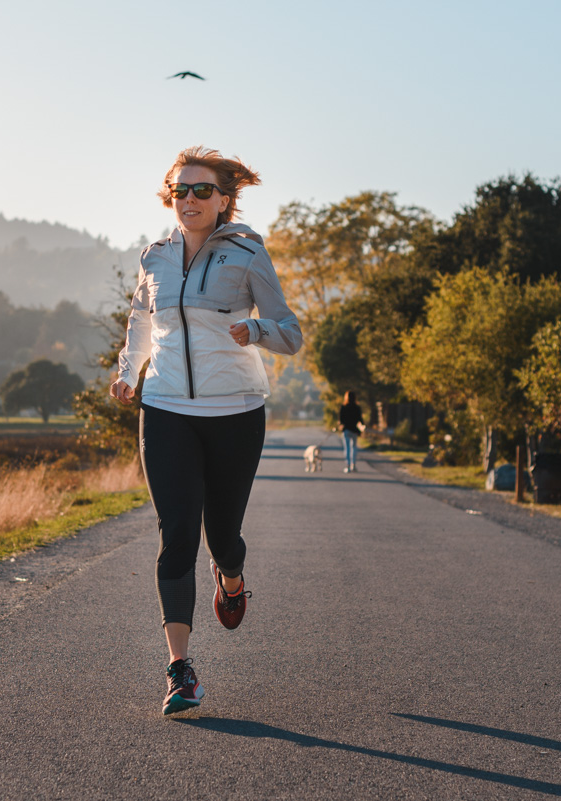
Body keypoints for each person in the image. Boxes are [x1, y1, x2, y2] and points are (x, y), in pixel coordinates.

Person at [109, 146, 302, 715]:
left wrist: (256, 329)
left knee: (222, 536)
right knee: (176, 537)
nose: (188, 200)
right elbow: (141, 321)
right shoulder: (154, 257)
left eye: (201, 191)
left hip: (235, 412)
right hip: (165, 408)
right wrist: (129, 375)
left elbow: (290, 333)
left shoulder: (246, 255)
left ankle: (233, 576)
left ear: (223, 199)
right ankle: (180, 670)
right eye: (180, 191)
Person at [337, 391, 364, 473]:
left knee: (347, 448)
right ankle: (354, 465)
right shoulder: (357, 407)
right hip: (354, 430)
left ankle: (348, 466)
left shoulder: (344, 407)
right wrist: (362, 426)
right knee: (354, 448)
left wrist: (341, 425)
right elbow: (360, 419)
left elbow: (341, 420)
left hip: (346, 430)